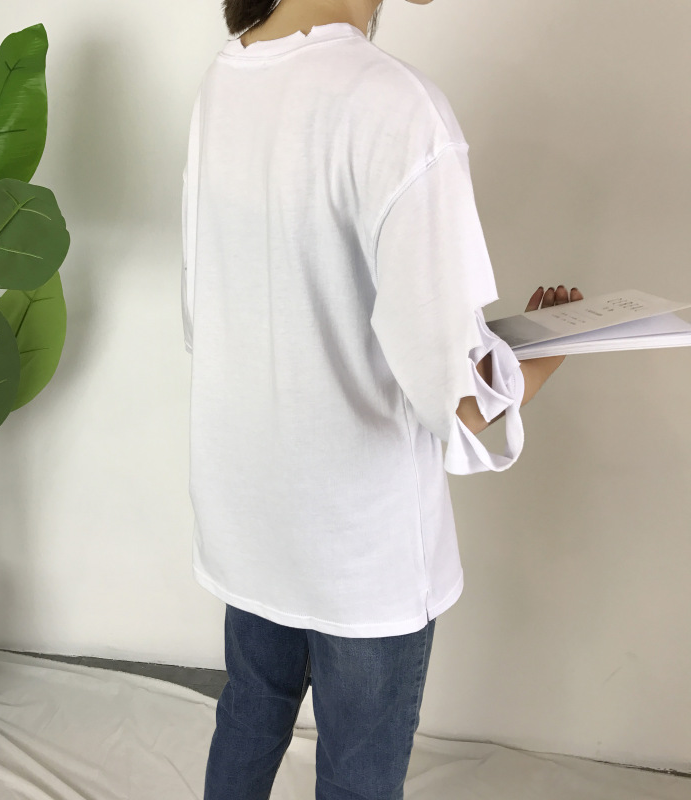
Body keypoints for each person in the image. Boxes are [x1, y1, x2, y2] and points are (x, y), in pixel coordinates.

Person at [181, 1, 584, 797]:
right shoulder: (397, 108)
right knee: (358, 774)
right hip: (361, 545)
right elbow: (460, 404)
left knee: (251, 709)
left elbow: (206, 316)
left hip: (250, 515)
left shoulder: (224, 82)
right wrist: (550, 347)